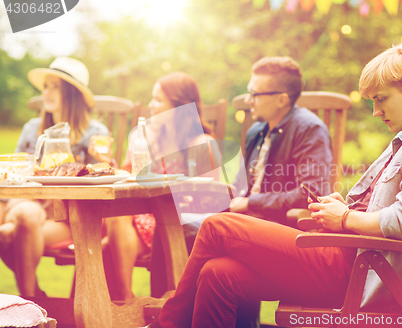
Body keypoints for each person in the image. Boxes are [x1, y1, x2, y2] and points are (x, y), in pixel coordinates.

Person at [149, 43, 402, 328]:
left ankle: (169, 321)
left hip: (361, 267)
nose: (376, 111)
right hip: (347, 253)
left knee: (217, 226)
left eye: (381, 99)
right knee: (217, 274)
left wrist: (345, 218)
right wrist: (344, 208)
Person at [96, 72, 222, 301]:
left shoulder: (201, 143)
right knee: (103, 240)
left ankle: (125, 304)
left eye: (158, 100)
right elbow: (128, 174)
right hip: (142, 219)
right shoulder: (148, 140)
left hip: (174, 223)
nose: (151, 106)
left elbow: (210, 202)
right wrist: (107, 164)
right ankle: (126, 302)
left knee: (103, 248)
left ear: (180, 106)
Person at [0, 57, 109, 297]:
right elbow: (16, 173)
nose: (46, 92)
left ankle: (31, 302)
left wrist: (101, 160)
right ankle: (34, 299)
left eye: (55, 86)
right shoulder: (32, 128)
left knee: (6, 234)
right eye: (45, 86)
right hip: (29, 206)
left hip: (71, 219)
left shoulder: (95, 133)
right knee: (26, 215)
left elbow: (103, 178)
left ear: (72, 94)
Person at [230, 56, 332, 225]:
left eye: (254, 94)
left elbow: (310, 193)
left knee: (197, 228)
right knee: (179, 222)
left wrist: (250, 202)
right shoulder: (256, 132)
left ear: (282, 99)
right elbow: (240, 185)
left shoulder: (310, 130)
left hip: (279, 226)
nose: (248, 101)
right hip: (244, 220)